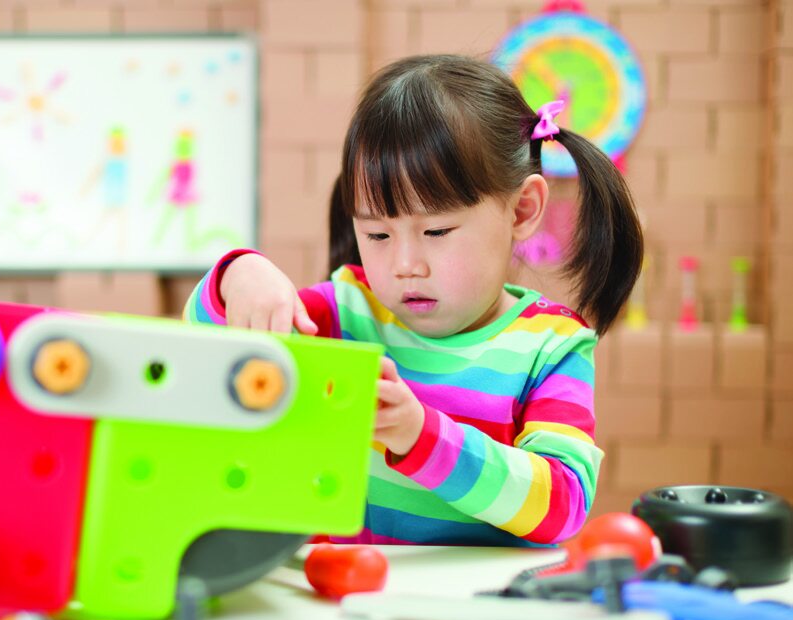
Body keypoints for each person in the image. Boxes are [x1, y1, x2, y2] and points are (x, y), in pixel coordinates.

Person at [184, 54, 643, 546]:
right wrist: (235, 278)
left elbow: (563, 505)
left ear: (522, 210)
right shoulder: (346, 313)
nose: (406, 264)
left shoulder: (550, 348)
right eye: (378, 235)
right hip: (340, 602)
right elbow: (208, 360)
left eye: (436, 230)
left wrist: (422, 436)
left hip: (479, 608)